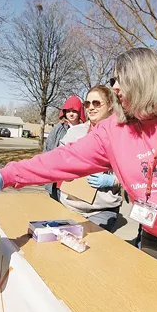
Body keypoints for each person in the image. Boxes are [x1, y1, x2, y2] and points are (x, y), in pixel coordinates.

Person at [0, 47, 157, 294]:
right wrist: (7, 175)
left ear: (147, 78)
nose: (116, 87)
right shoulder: (114, 130)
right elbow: (63, 159)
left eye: (122, 79)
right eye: (114, 80)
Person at [58, 86, 122, 232]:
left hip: (101, 210)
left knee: (91, 250)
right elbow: (57, 161)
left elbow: (133, 172)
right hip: (70, 206)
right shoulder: (73, 133)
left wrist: (113, 180)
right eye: (87, 104)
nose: (91, 108)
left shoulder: (121, 135)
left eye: (96, 103)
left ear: (110, 105)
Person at [43, 95, 85, 201]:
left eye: (74, 111)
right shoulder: (59, 128)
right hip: (57, 177)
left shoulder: (85, 130)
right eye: (68, 111)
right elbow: (48, 149)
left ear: (80, 112)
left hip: (76, 179)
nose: (71, 114)